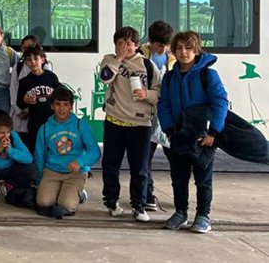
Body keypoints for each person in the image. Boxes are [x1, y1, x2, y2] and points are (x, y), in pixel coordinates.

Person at [158, 31, 229, 234]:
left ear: (196, 50)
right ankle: (180, 213)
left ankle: (203, 216)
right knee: (178, 178)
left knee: (203, 179)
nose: (184, 52)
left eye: (188, 48)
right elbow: (164, 105)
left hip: (203, 136)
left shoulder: (208, 75)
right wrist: (169, 131)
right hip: (178, 136)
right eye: (179, 48)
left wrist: (214, 132)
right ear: (173, 51)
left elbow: (220, 102)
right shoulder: (169, 78)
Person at [98, 26, 162, 222]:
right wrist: (118, 58)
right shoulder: (110, 60)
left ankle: (139, 205)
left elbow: (159, 93)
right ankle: (111, 201)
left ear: (137, 45)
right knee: (111, 165)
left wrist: (146, 94)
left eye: (129, 43)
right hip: (114, 121)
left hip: (140, 124)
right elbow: (105, 78)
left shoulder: (148, 66)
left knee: (140, 168)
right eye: (120, 43)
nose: (125, 47)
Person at [34, 87, 100, 218]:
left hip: (75, 173)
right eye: (57, 104)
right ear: (52, 106)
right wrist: (40, 178)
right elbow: (39, 155)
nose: (61, 108)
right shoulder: (45, 128)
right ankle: (59, 191)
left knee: (66, 205)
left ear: (71, 106)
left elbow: (95, 151)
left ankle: (79, 194)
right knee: (44, 202)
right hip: (52, 171)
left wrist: (80, 162)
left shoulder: (81, 125)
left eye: (66, 104)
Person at [140, 19, 176, 212]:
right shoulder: (140, 56)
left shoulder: (175, 58)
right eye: (159, 45)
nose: (164, 49)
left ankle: (180, 195)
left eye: (166, 45)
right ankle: (147, 194)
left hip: (169, 115)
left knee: (177, 158)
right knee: (145, 157)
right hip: (146, 113)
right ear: (150, 42)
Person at [15, 44, 61, 153]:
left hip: (53, 120)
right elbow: (19, 103)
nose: (33, 62)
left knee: (54, 148)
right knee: (37, 149)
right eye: (29, 60)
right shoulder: (24, 81)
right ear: (26, 62)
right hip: (35, 122)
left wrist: (56, 95)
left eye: (36, 58)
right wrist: (25, 100)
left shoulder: (51, 77)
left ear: (42, 60)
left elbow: (61, 93)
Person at [10, 34, 49, 138]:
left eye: (31, 46)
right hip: (20, 112)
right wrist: (19, 110)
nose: (28, 50)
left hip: (39, 113)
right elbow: (13, 89)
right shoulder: (18, 67)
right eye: (24, 47)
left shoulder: (46, 67)